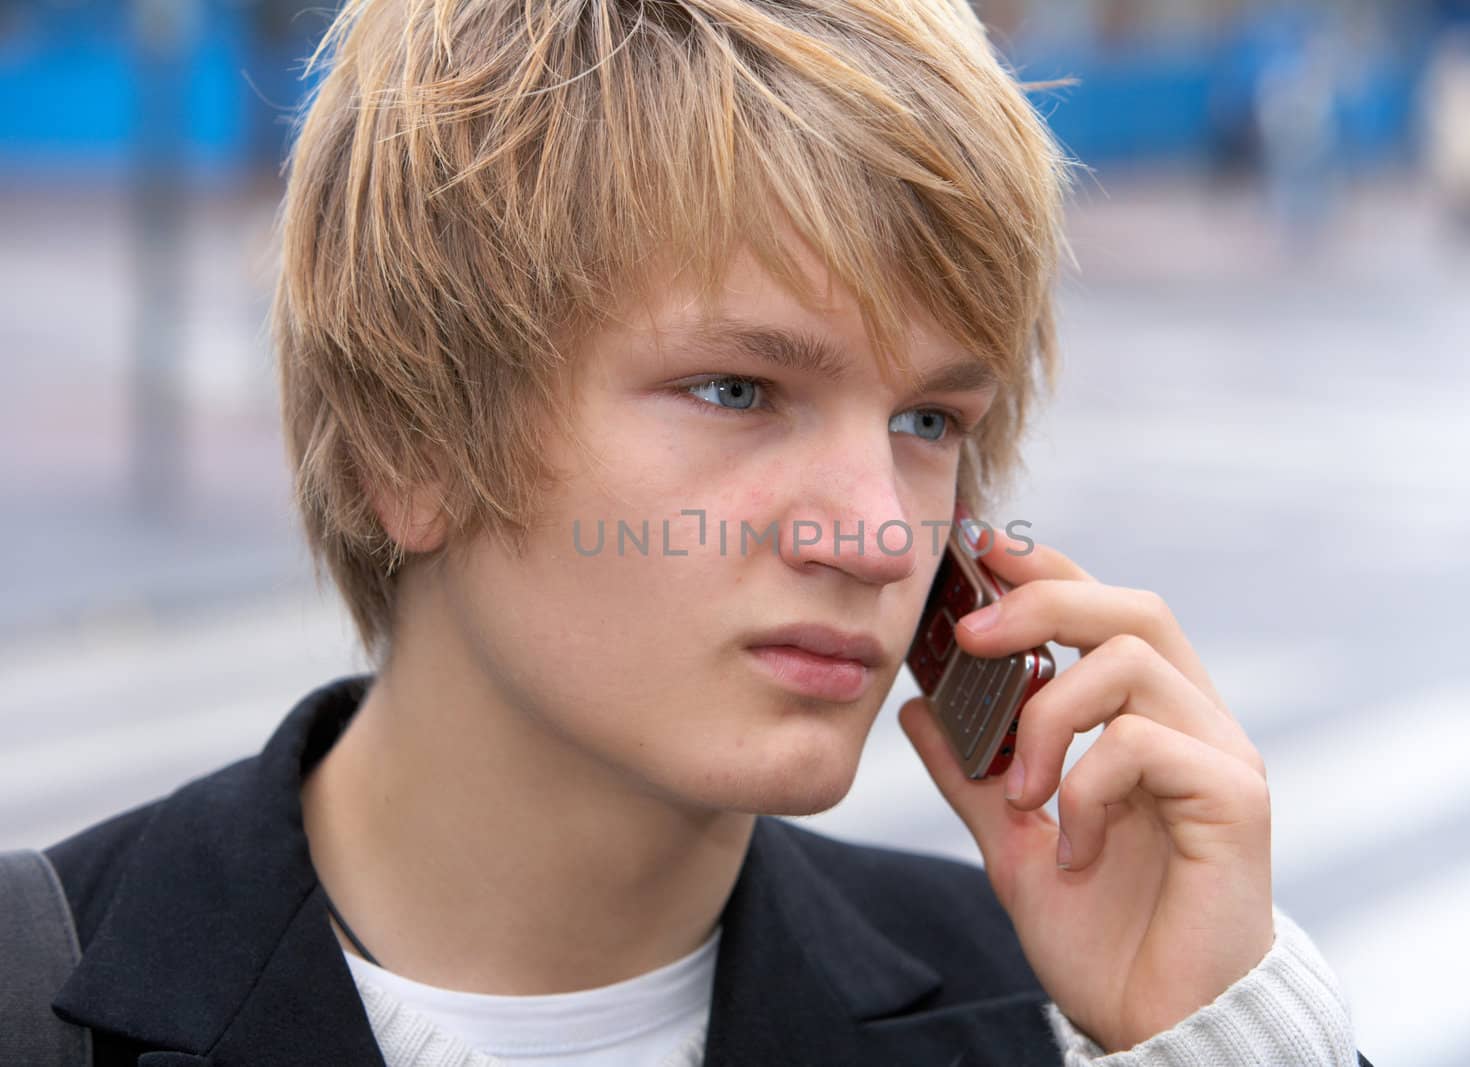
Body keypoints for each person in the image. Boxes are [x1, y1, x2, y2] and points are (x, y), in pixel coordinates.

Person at [23, 1, 1373, 1064]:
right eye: (737, 390)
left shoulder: (1046, 1009)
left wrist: (1211, 1037)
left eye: (928, 420)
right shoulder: (38, 997)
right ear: (409, 447)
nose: (880, 538)